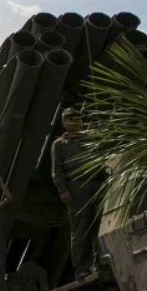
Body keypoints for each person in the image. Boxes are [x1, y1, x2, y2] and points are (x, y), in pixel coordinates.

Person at [51, 107, 105, 280]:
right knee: (81, 228)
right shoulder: (60, 144)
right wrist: (63, 190)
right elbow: (56, 170)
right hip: (77, 187)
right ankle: (82, 268)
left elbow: (101, 159)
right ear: (64, 122)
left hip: (96, 184)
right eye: (71, 119)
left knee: (99, 226)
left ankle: (101, 262)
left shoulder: (91, 139)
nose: (75, 121)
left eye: (77, 118)